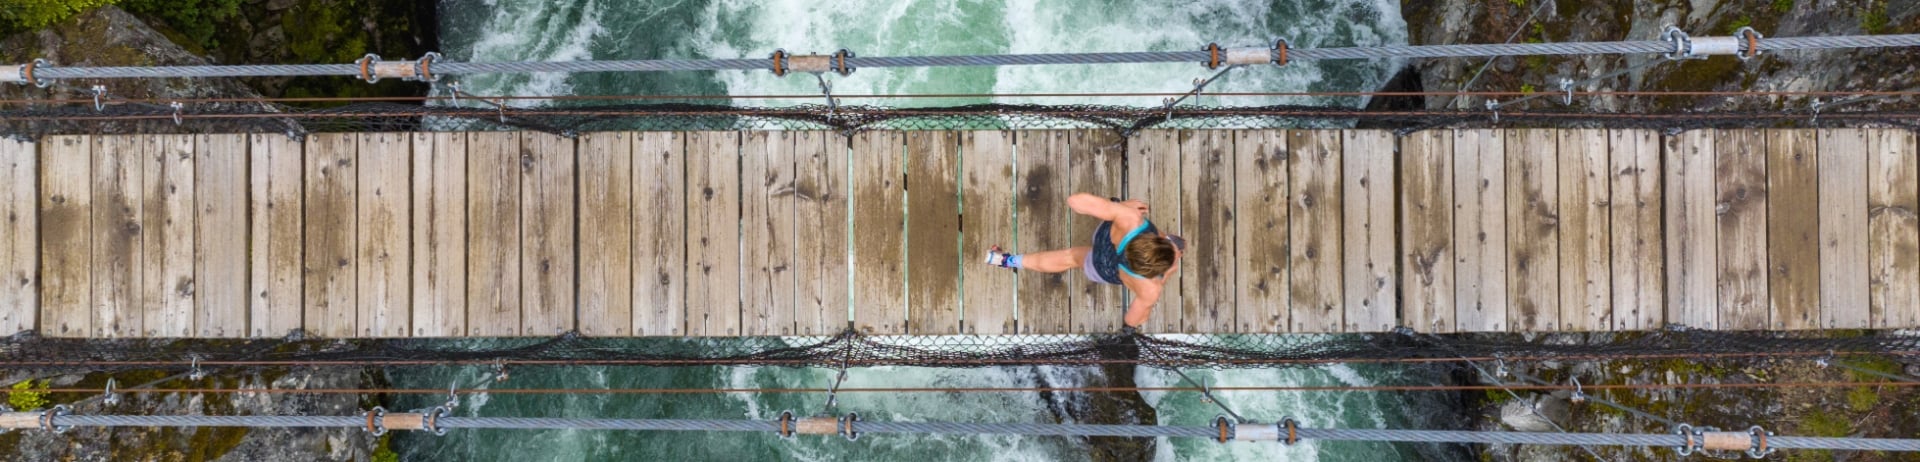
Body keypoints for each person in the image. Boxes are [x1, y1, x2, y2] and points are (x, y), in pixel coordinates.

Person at [983, 193, 1184, 330]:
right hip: (1105, 267)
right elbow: (1133, 320)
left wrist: (1119, 207)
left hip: (1107, 237)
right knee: (1071, 258)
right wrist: (1164, 276)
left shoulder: (1131, 219)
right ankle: (1004, 261)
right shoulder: (1150, 288)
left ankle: (1005, 259)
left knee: (1074, 251)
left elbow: (1075, 201)